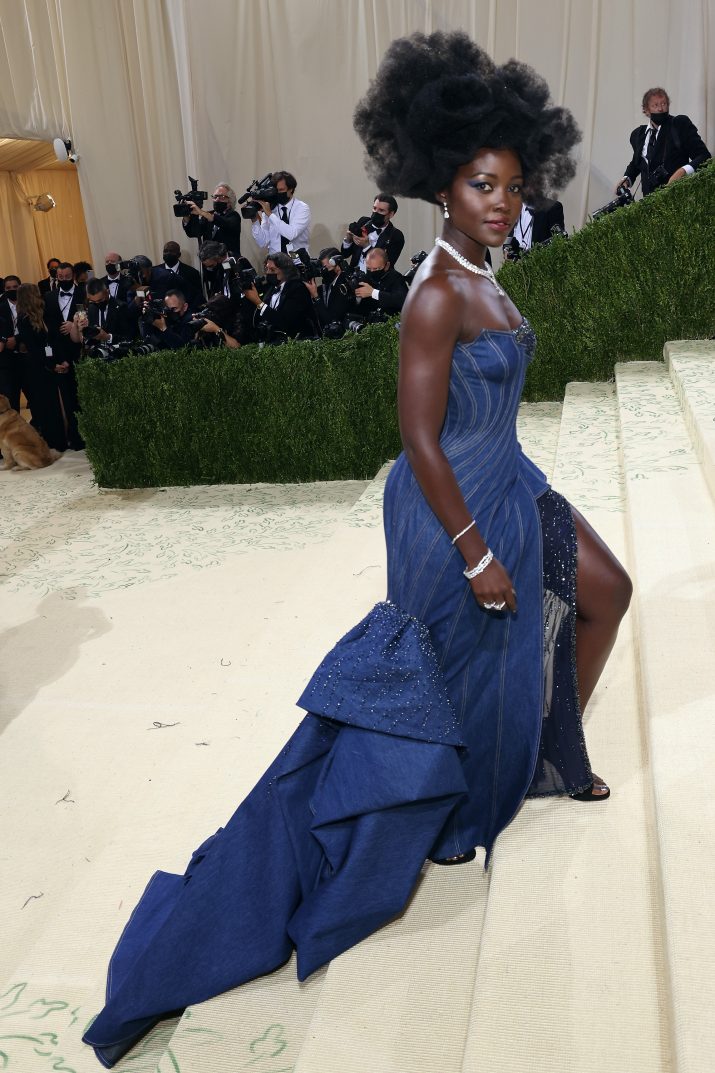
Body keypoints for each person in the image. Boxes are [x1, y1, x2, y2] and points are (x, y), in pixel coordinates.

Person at [83, 31, 632, 1067]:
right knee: (449, 669)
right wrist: (473, 550)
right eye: (480, 185)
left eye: (512, 185)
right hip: (447, 505)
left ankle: (542, 755)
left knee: (604, 590)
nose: (499, 202)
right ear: (441, 186)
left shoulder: (487, 271)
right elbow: (417, 437)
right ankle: (436, 812)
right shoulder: (436, 292)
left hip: (504, 473)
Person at [617, 87, 710, 197]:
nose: (661, 109)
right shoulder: (637, 135)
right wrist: (627, 179)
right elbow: (637, 163)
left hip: (678, 197)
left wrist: (682, 171)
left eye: (664, 104)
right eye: (655, 105)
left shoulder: (679, 124)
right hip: (649, 202)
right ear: (646, 110)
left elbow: (704, 156)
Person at [15, 283, 66, 450]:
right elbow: (34, 348)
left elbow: (51, 341)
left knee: (54, 404)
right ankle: (52, 441)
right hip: (37, 367)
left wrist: (59, 361)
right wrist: (51, 365)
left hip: (48, 364)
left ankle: (59, 440)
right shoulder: (23, 319)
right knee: (45, 405)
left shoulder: (43, 314)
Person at [43, 261, 86, 449]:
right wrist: (54, 359)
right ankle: (75, 438)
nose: (64, 280)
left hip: (80, 353)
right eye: (60, 277)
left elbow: (85, 317)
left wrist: (73, 325)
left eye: (67, 277)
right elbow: (48, 331)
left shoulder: (82, 293)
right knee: (67, 399)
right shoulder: (49, 297)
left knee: (83, 396)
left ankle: (90, 435)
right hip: (60, 355)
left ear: (73, 276)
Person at [243, 252, 320, 341]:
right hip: (273, 342)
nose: (268, 273)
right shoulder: (270, 289)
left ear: (285, 271)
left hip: (295, 342)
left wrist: (259, 303)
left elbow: (286, 322)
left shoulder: (297, 288)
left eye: (272, 270)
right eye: (267, 269)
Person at [250, 170, 311, 256]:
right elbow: (262, 242)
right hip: (275, 260)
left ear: (291, 189)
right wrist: (254, 219)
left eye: (281, 190)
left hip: (296, 260)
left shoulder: (302, 208)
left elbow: (291, 234)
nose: (278, 193)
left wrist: (270, 215)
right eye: (276, 190)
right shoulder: (271, 208)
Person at [342, 193, 405, 268]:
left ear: (391, 214)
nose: (376, 213)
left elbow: (387, 266)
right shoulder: (363, 222)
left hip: (375, 275)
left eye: (381, 210)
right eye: (374, 208)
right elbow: (345, 254)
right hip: (354, 273)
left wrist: (366, 246)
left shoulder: (396, 235)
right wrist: (348, 240)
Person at [183, 182, 243, 258]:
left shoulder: (234, 216)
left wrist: (201, 212)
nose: (217, 200)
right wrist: (186, 216)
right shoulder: (207, 215)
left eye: (222, 197)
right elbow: (194, 232)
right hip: (210, 262)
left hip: (228, 261)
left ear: (230, 201)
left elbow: (224, 222)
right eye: (215, 197)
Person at [68, 279, 135, 347]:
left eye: (100, 300)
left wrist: (108, 337)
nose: (97, 303)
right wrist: (80, 328)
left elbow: (129, 338)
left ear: (107, 292)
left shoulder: (121, 308)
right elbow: (83, 340)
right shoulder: (92, 307)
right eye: (93, 301)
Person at [305, 247, 352, 329]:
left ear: (337, 265)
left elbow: (332, 319)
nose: (323, 271)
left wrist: (316, 296)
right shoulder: (328, 283)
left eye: (326, 268)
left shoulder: (345, 286)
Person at [353, 245, 408, 315]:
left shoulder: (395, 277)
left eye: (376, 268)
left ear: (387, 265)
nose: (372, 271)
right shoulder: (366, 277)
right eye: (369, 268)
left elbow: (402, 300)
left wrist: (373, 293)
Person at [150, 241, 203, 309]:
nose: (168, 253)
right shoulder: (154, 271)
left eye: (171, 251)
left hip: (185, 310)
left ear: (179, 254)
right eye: (165, 251)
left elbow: (197, 297)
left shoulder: (192, 273)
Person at [0, 275, 22, 411]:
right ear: (4, 290)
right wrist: (4, 340)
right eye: (8, 288)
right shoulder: (1, 308)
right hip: (7, 361)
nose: (12, 290)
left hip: (28, 358)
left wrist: (17, 339)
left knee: (36, 398)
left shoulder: (30, 306)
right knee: (11, 401)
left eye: (15, 287)